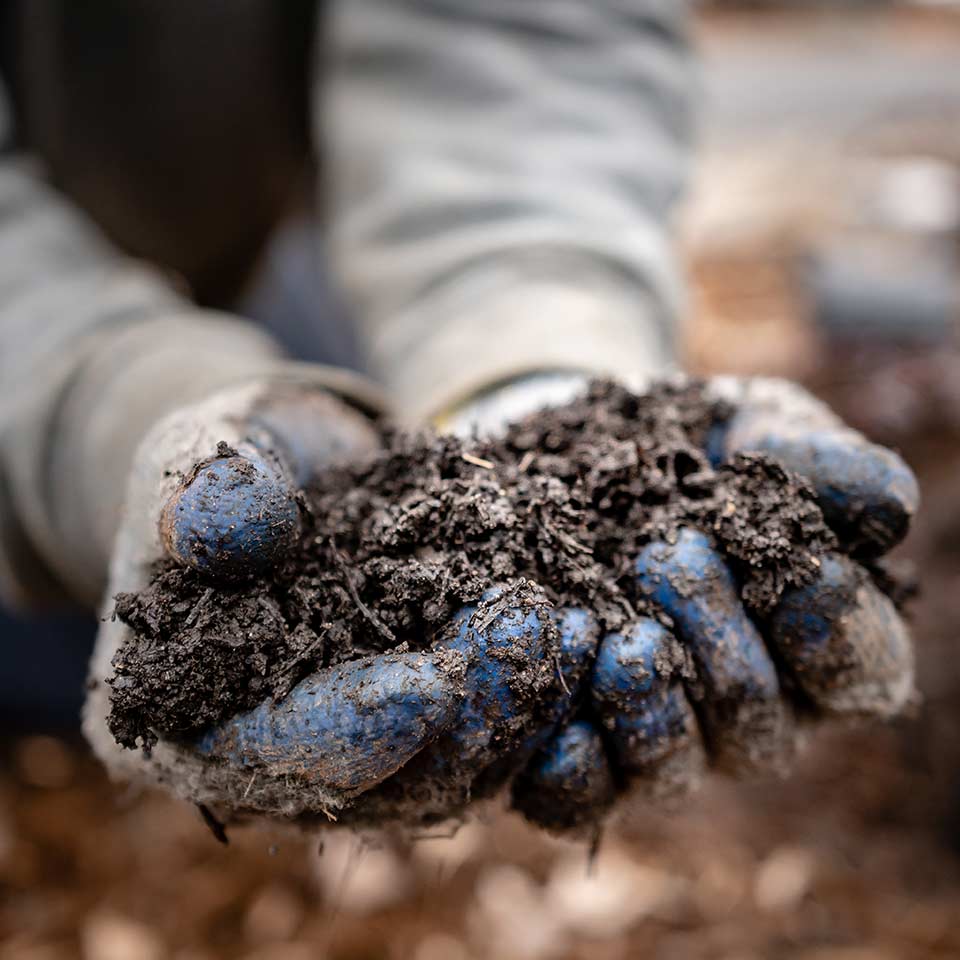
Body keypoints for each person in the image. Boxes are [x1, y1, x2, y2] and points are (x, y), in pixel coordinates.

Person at [0, 1, 918, 831]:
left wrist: (536, 353)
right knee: (74, 660)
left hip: (232, 220)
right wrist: (97, 402)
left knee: (397, 670)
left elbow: (524, 40)